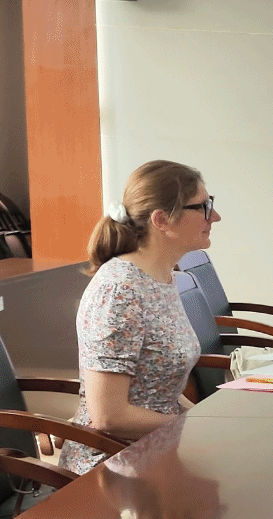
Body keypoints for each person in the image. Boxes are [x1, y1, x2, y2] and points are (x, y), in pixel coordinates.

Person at [60, 159, 222, 475]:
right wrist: (194, 428)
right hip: (112, 466)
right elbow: (109, 417)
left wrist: (205, 421)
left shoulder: (163, 277)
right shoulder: (119, 290)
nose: (214, 217)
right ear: (162, 220)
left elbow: (162, 393)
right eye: (203, 207)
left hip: (156, 450)